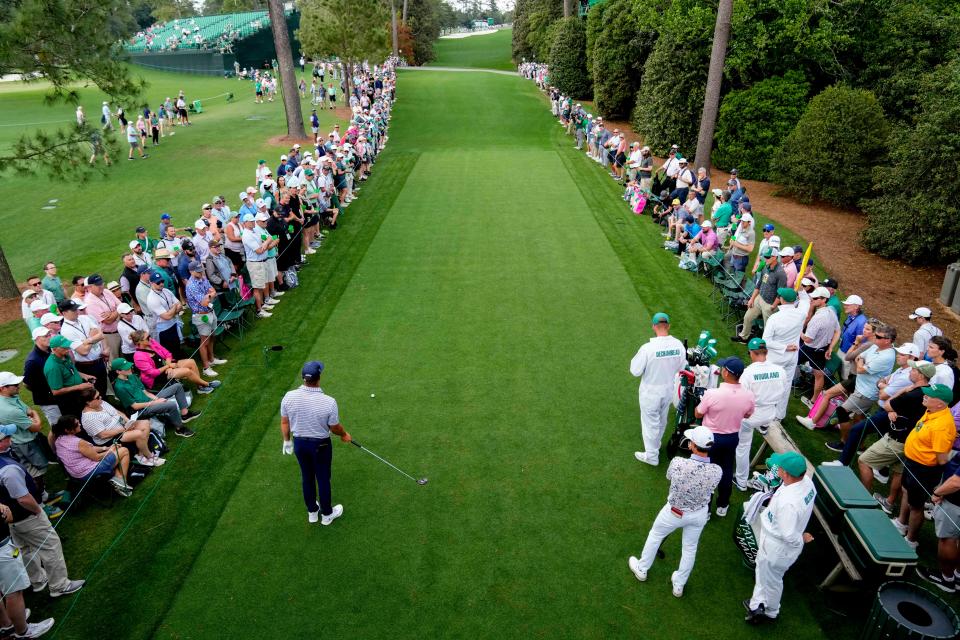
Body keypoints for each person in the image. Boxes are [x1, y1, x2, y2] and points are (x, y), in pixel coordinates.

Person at [627, 425, 721, 597]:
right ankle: (679, 585)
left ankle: (642, 569)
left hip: (674, 512)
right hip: (698, 515)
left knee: (655, 535)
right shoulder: (717, 471)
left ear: (692, 445)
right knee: (690, 548)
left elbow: (669, 477)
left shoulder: (677, 462)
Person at [0, 423, 85, 599]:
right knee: (51, 546)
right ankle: (60, 585)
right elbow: (23, 498)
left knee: (24, 549)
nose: (9, 438)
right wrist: (38, 511)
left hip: (11, 520)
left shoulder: (6, 462)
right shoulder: (8, 469)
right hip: (27, 516)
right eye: (5, 437)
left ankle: (38, 581)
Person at [743, 451, 815, 624]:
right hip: (776, 539)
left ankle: (770, 611)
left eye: (780, 468)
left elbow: (789, 534)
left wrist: (801, 539)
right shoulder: (806, 483)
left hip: (778, 546)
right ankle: (757, 603)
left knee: (773, 580)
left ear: (786, 473)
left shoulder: (790, 503)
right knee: (763, 571)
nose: (778, 470)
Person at [280, 361, 351, 525]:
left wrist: (287, 441)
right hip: (321, 446)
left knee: (307, 477)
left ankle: (312, 512)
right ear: (319, 378)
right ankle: (327, 515)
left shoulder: (288, 396)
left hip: (299, 444)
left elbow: (285, 422)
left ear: (303, 378)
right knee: (323, 478)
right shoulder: (329, 401)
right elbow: (334, 428)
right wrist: (344, 434)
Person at [890, 384, 957, 549]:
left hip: (923, 469)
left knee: (916, 505)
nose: (924, 396)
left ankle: (911, 540)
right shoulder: (931, 411)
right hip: (913, 463)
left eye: (929, 395)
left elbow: (942, 460)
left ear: (940, 403)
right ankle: (901, 523)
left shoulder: (942, 426)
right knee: (906, 491)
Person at [695, 356, 755, 516]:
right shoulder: (748, 395)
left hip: (710, 439)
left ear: (727, 373)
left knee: (706, 472)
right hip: (732, 438)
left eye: (723, 368)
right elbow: (748, 414)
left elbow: (698, 413)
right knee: (726, 470)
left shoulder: (712, 394)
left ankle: (705, 510)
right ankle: (723, 505)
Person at [630, 313, 687, 467]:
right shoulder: (678, 346)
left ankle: (652, 455)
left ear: (654, 326)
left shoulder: (648, 348)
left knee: (650, 423)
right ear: (668, 326)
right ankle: (655, 446)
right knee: (661, 420)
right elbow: (682, 368)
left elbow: (635, 370)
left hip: (651, 392)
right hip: (669, 389)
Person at [0, 480, 56, 636]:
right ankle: (23, 631)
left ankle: (6, 624)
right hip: (1, 548)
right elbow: (7, 516)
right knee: (13, 592)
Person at [735, 340, 787, 490]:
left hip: (751, 417)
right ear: (766, 352)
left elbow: (742, 398)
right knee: (761, 422)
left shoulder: (748, 373)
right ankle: (764, 427)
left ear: (751, 352)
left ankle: (741, 481)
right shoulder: (780, 370)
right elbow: (783, 392)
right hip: (771, 413)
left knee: (743, 446)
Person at [0, 372, 52, 502]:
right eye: (14, 384)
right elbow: (36, 426)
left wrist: (32, 415)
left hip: (23, 440)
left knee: (35, 470)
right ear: (3, 388)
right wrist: (35, 417)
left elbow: (29, 411)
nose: (19, 386)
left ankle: (43, 494)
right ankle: (41, 500)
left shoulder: (11, 397)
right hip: (25, 443)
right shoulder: (10, 410)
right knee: (36, 473)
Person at [78, 387, 162, 468]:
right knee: (139, 434)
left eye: (99, 395)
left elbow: (116, 412)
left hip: (123, 427)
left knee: (145, 423)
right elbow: (103, 435)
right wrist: (124, 429)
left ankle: (140, 455)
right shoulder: (89, 418)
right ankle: (150, 456)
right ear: (88, 402)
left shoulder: (101, 402)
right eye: (97, 397)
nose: (101, 397)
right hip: (111, 438)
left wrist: (127, 421)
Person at [112, 359, 197, 438]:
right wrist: (156, 402)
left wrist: (156, 399)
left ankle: (185, 414)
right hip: (141, 410)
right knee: (171, 405)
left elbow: (145, 392)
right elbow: (135, 406)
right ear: (118, 371)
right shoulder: (119, 387)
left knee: (177, 386)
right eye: (125, 368)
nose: (129, 368)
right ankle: (180, 429)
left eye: (128, 366)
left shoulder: (132, 376)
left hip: (149, 400)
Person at [51, 415, 132, 497]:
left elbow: (90, 448)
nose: (80, 424)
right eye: (76, 424)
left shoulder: (59, 440)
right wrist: (110, 451)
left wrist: (106, 448)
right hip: (91, 473)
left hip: (76, 476)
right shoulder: (78, 442)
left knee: (115, 455)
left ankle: (118, 479)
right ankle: (122, 483)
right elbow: (97, 457)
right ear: (68, 430)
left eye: (78, 422)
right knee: (124, 451)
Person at [917, 450, 960, 593]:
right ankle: (958, 576)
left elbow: (956, 483)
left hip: (955, 502)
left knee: (948, 539)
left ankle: (946, 579)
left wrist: (938, 493)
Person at [762, 288, 806, 422]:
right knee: (785, 386)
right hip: (792, 357)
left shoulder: (775, 318)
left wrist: (784, 347)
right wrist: (802, 292)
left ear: (781, 299)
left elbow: (766, 341)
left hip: (776, 357)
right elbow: (806, 301)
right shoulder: (801, 314)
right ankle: (779, 416)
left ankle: (763, 411)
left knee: (767, 383)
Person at [130, 331, 219, 395]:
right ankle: (206, 384)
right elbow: (152, 373)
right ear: (139, 342)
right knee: (187, 371)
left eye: (149, 336)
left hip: (167, 367)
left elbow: (167, 354)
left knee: (191, 362)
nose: (150, 338)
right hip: (158, 378)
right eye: (147, 338)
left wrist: (168, 365)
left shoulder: (151, 342)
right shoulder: (138, 356)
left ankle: (201, 387)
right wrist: (168, 366)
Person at [733, 247, 786, 343]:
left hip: (769, 304)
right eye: (765, 257)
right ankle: (743, 337)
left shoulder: (781, 273)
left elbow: (780, 292)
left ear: (774, 257)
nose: (765, 259)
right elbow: (759, 284)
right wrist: (752, 299)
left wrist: (773, 306)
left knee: (768, 329)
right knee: (747, 317)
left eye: (767, 257)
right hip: (759, 298)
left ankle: (763, 348)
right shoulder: (765, 267)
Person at [57, 299, 109, 398]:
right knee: (93, 394)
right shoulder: (66, 330)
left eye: (76, 309)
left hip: (99, 361)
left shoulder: (84, 318)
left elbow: (100, 334)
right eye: (73, 310)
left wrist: (86, 341)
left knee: (103, 389)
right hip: (86, 366)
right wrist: (92, 337)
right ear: (64, 313)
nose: (77, 311)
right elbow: (83, 351)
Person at [797, 287, 840, 403]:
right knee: (819, 375)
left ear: (824, 300)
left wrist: (798, 331)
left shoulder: (818, 318)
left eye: (815, 298)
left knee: (789, 362)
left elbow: (808, 339)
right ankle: (813, 400)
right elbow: (838, 331)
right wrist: (830, 348)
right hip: (822, 349)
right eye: (812, 296)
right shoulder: (831, 311)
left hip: (809, 348)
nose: (812, 299)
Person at [184, 261, 226, 377]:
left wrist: (209, 295)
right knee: (204, 341)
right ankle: (206, 367)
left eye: (201, 270)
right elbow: (204, 302)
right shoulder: (191, 285)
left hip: (210, 312)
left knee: (212, 335)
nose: (201, 272)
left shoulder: (203, 278)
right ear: (191, 272)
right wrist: (210, 295)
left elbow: (214, 292)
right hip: (201, 316)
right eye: (198, 271)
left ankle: (212, 359)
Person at [43, 335, 95, 418]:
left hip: (77, 395)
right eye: (64, 347)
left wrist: (84, 376)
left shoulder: (65, 356)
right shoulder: (53, 367)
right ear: (55, 349)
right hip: (68, 401)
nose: (68, 348)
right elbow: (56, 391)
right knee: (77, 420)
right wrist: (79, 387)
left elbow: (71, 371)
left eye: (68, 345)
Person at [23, 327, 61, 427]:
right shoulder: (32, 361)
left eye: (49, 335)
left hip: (59, 394)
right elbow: (26, 384)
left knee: (68, 424)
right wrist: (44, 391)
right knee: (57, 428)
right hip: (48, 401)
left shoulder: (51, 350)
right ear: (36, 339)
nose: (49, 337)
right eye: (45, 336)